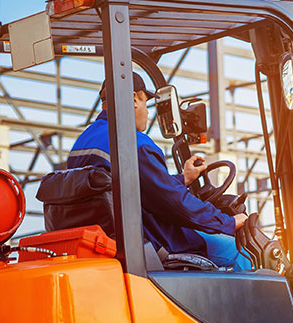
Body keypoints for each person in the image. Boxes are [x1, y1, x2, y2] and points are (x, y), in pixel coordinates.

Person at [67, 72, 251, 270]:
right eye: (147, 103)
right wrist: (227, 222)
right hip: (153, 242)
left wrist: (183, 179)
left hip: (109, 242)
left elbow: (136, 187)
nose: (147, 112)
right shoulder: (134, 143)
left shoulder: (83, 142)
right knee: (238, 251)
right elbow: (175, 203)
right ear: (134, 99)